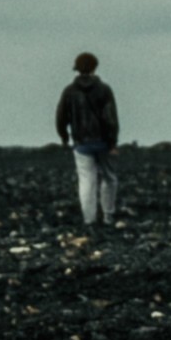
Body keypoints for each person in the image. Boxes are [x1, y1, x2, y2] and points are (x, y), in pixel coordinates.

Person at [54, 51, 119, 227]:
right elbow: (110, 117)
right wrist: (113, 142)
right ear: (94, 68)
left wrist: (64, 137)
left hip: (81, 143)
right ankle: (108, 215)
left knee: (86, 181)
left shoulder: (69, 91)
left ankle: (89, 220)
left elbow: (61, 117)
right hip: (103, 142)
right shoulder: (104, 89)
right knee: (109, 177)